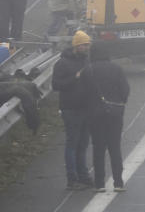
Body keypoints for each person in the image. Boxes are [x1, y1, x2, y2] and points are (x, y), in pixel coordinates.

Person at [81, 42, 129, 192]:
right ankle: (118, 182)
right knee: (115, 147)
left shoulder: (87, 70)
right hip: (114, 112)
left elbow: (82, 93)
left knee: (98, 148)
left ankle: (100, 183)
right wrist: (119, 103)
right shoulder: (117, 68)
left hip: (95, 114)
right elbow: (125, 89)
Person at [51, 30, 93, 189]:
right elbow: (56, 85)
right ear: (76, 45)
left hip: (86, 108)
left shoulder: (87, 61)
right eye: (83, 44)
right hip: (70, 109)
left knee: (83, 144)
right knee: (72, 143)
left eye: (87, 44)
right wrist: (74, 78)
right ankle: (72, 179)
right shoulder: (62, 63)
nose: (86, 47)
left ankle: (83, 176)